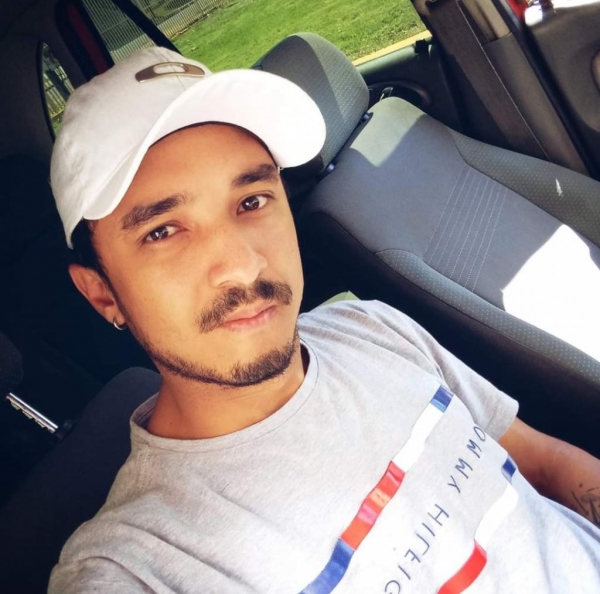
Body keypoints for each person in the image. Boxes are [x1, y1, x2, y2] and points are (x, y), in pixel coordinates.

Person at [48, 47, 599, 593]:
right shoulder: (133, 566)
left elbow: (543, 463)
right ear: (102, 294)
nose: (243, 265)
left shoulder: (370, 327)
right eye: (163, 231)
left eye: (252, 201)